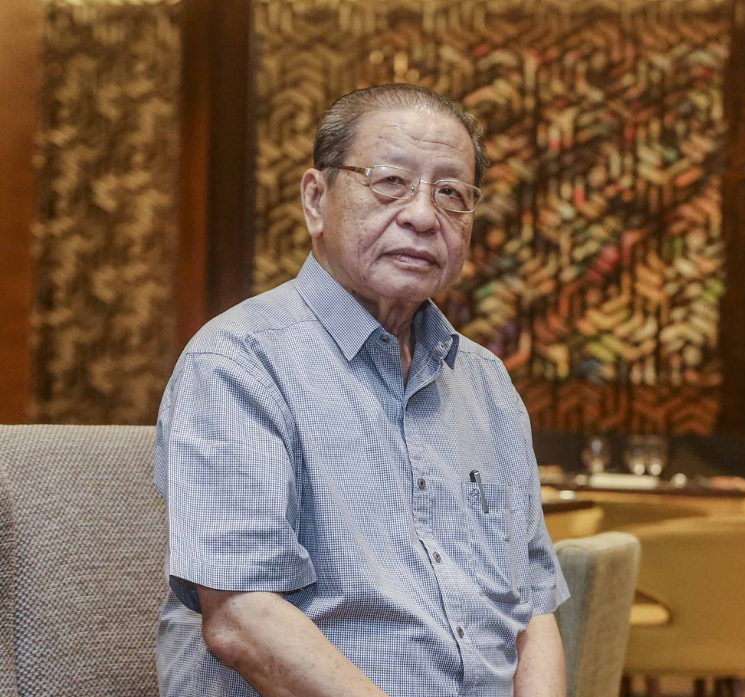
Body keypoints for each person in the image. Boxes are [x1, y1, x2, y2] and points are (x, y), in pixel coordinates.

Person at [153, 83, 569, 697]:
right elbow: (243, 620)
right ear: (316, 200)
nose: (424, 216)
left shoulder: (487, 383)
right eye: (390, 182)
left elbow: (533, 611)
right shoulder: (238, 362)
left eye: (452, 193)